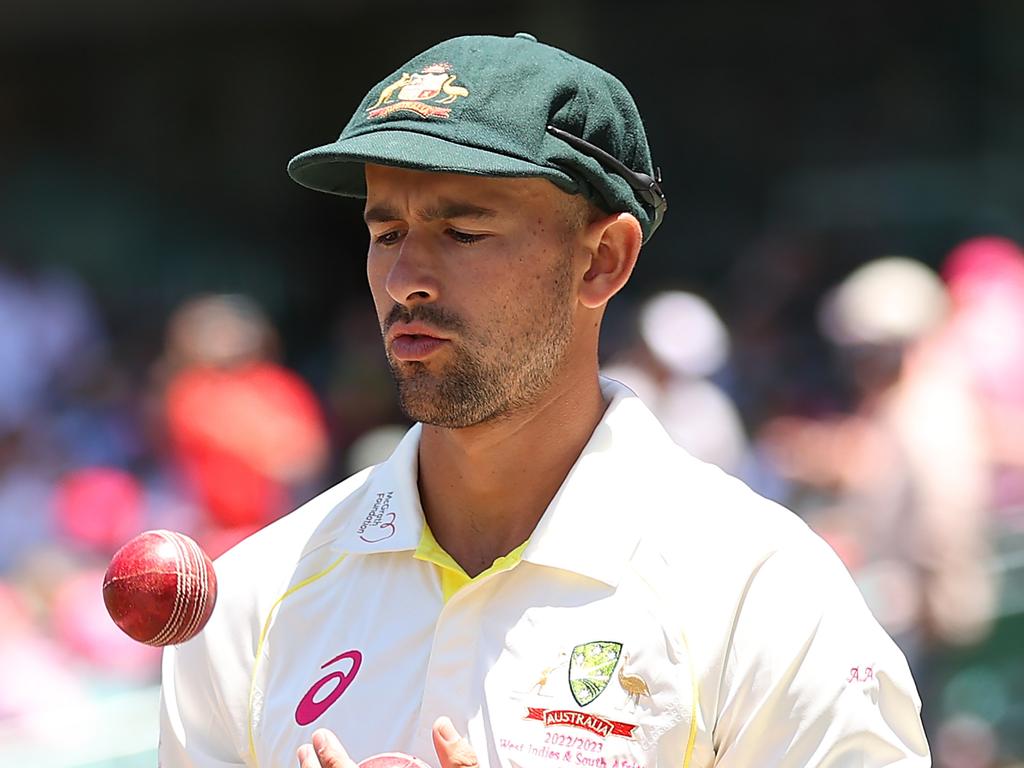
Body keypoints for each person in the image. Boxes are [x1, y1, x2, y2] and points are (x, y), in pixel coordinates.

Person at [159, 33, 930, 768]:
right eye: (386, 232)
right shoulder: (257, 597)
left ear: (604, 259)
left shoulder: (760, 590)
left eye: (461, 232)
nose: (404, 281)